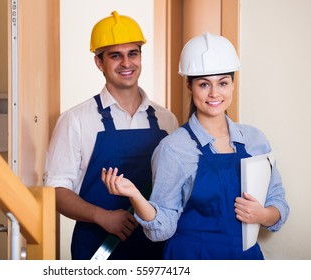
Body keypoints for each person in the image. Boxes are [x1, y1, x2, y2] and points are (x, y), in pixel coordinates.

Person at [102, 32, 289, 260]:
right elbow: (162, 229)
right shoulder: (174, 148)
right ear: (190, 86)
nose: (214, 93)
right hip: (192, 258)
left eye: (222, 83)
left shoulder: (254, 139)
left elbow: (278, 202)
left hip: (246, 259)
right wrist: (134, 195)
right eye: (203, 84)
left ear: (232, 85)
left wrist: (263, 214)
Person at [43, 11, 179, 260]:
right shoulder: (75, 120)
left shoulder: (166, 119)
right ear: (99, 62)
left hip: (157, 249)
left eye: (133, 53)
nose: (126, 63)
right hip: (98, 249)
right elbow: (56, 191)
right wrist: (101, 216)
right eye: (116, 56)